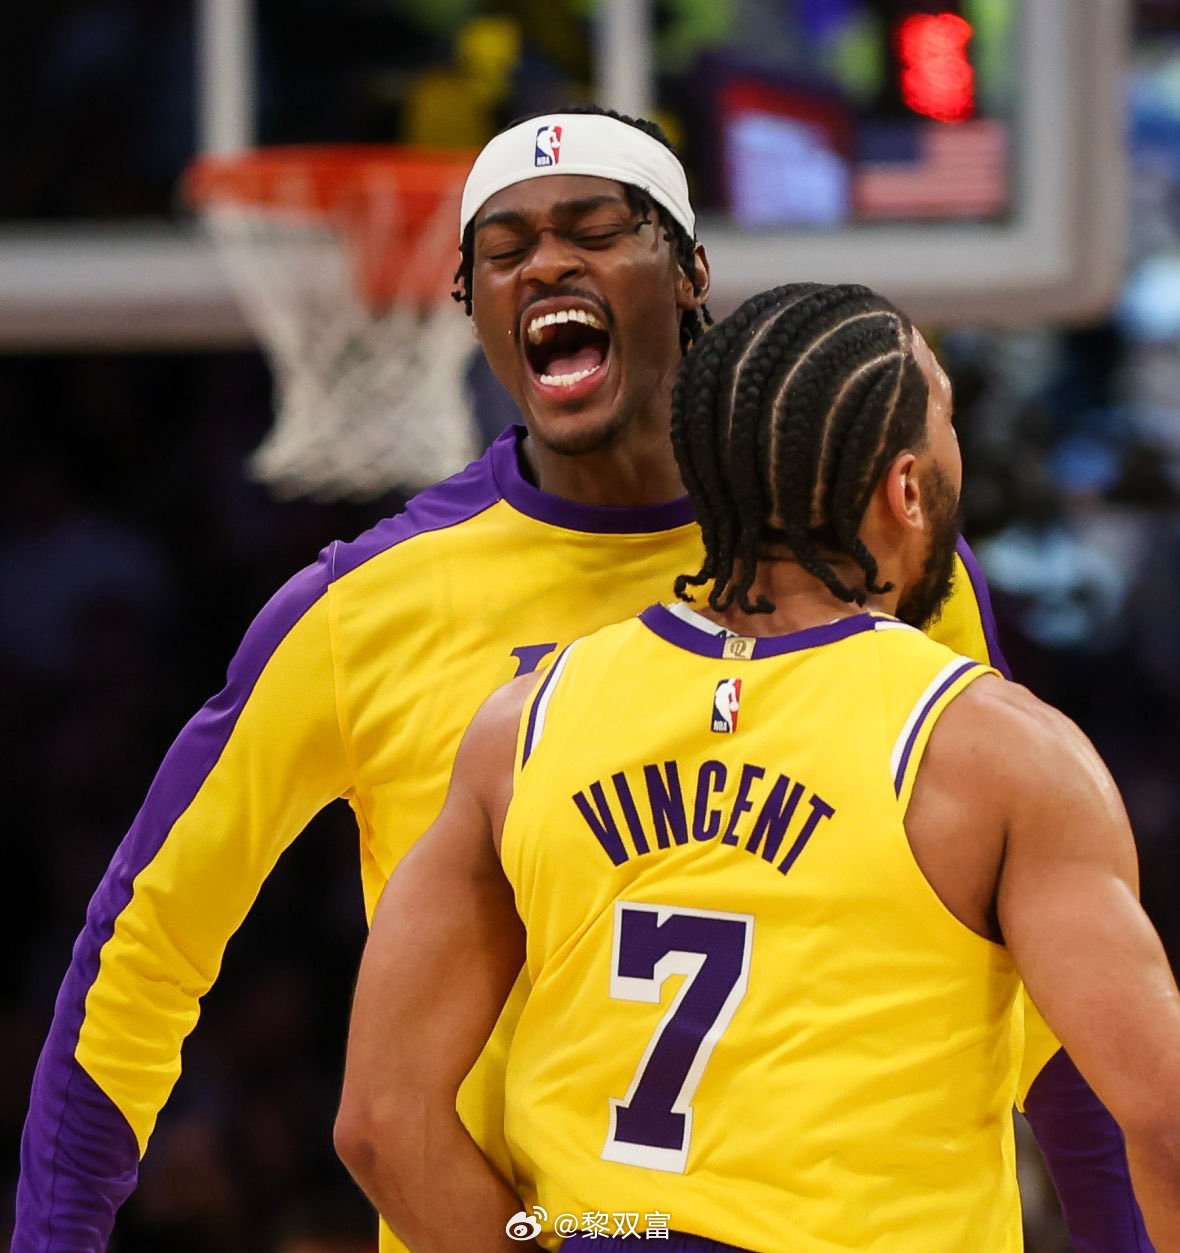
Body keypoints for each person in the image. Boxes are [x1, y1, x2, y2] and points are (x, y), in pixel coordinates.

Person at [14, 111, 1145, 1252]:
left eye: (595, 231)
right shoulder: (362, 611)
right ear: (467, 304)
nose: (547, 264)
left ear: (690, 272)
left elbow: (1053, 997)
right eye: (504, 251)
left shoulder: (883, 558)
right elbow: (143, 947)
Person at [334, 283, 1180, 1253]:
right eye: (944, 417)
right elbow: (1161, 1118)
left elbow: (380, 1120)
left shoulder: (523, 723)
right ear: (906, 488)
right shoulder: (993, 751)